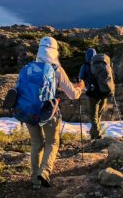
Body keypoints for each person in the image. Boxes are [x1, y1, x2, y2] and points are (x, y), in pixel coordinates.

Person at [27, 36, 83, 189]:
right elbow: (73, 95)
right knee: (52, 142)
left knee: (36, 143)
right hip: (48, 113)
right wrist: (79, 87)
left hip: (29, 111)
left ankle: (34, 180)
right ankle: (44, 171)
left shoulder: (29, 67)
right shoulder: (57, 70)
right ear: (54, 52)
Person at [79, 48, 106, 140]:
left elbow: (81, 79)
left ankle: (97, 136)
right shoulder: (103, 64)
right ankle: (93, 135)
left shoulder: (85, 66)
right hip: (104, 92)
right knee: (98, 115)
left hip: (93, 93)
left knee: (92, 116)